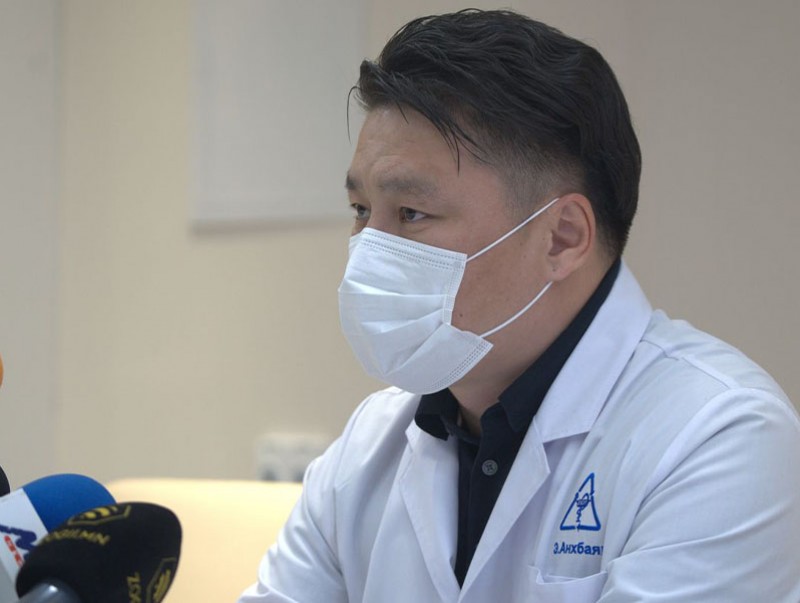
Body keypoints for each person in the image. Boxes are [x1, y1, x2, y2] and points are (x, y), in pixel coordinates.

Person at [239, 9, 800, 602]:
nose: (366, 252)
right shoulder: (368, 446)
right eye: (360, 211)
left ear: (562, 238)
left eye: (411, 214)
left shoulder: (717, 436)